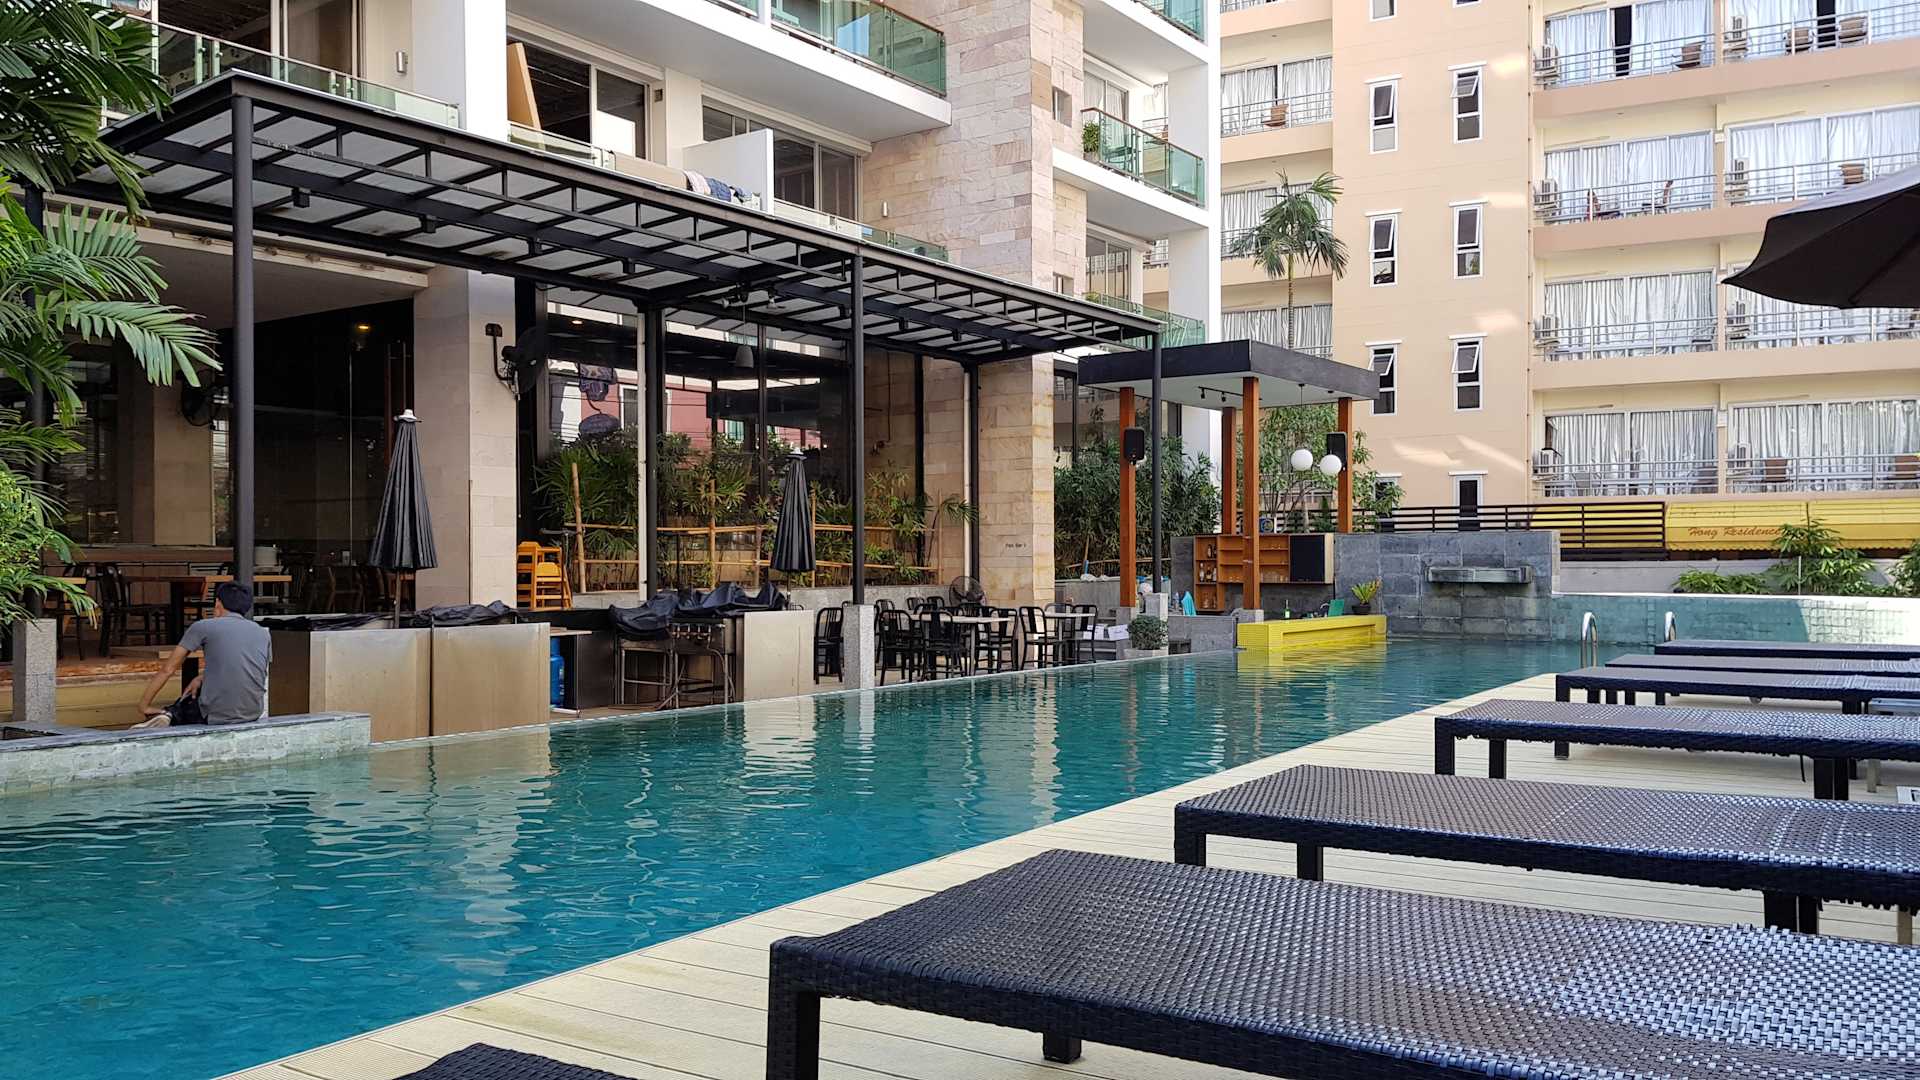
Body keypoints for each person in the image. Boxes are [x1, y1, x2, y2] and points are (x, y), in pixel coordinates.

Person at [134, 581, 272, 728]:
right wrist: (202, 678)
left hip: (215, 715)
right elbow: (247, 669)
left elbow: (168, 669)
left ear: (218, 602)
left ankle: (171, 715)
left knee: (186, 704)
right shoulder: (262, 633)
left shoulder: (203, 626)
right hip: (253, 712)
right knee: (200, 691)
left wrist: (144, 706)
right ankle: (173, 715)